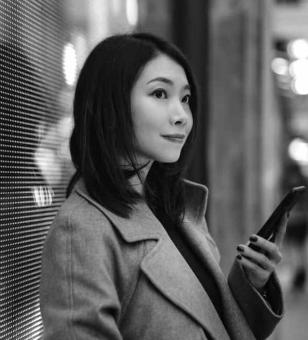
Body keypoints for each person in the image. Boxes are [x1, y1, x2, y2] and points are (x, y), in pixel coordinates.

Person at [40, 32, 287, 340]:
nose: (182, 115)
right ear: (110, 104)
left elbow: (208, 323)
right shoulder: (80, 230)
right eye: (159, 94)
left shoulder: (177, 206)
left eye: (185, 99)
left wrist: (252, 283)